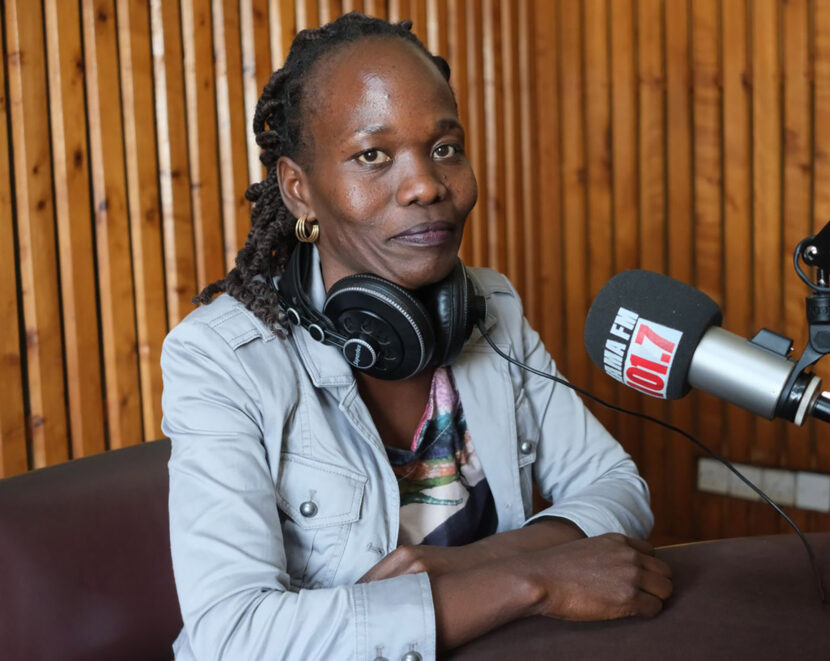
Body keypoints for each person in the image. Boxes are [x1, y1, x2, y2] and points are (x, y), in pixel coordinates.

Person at [162, 13, 672, 660]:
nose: (427, 184)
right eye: (372, 155)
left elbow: (615, 486)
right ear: (299, 190)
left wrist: (465, 568)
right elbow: (234, 637)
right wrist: (531, 581)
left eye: (445, 148)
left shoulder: (490, 307)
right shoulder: (220, 358)